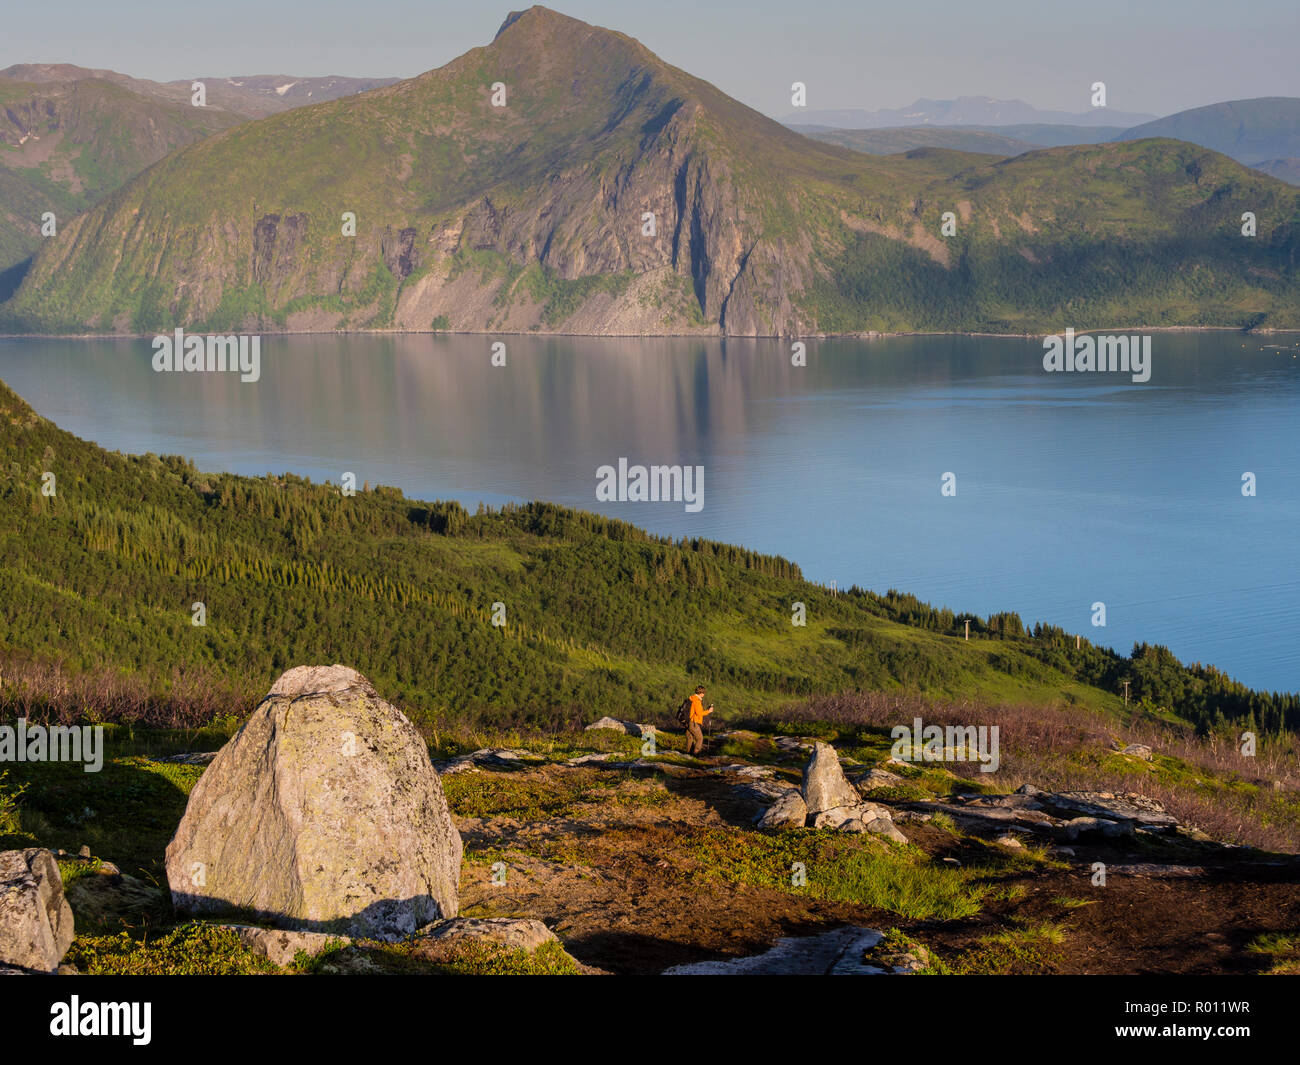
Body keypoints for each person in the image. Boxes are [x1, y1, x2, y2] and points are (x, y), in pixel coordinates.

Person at [680, 684, 713, 755]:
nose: (704, 694)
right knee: (700, 738)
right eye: (703, 693)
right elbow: (699, 713)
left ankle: (688, 754)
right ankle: (696, 754)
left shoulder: (691, 698)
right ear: (701, 693)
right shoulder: (697, 701)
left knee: (690, 739)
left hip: (687, 722)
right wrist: (708, 711)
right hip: (693, 722)